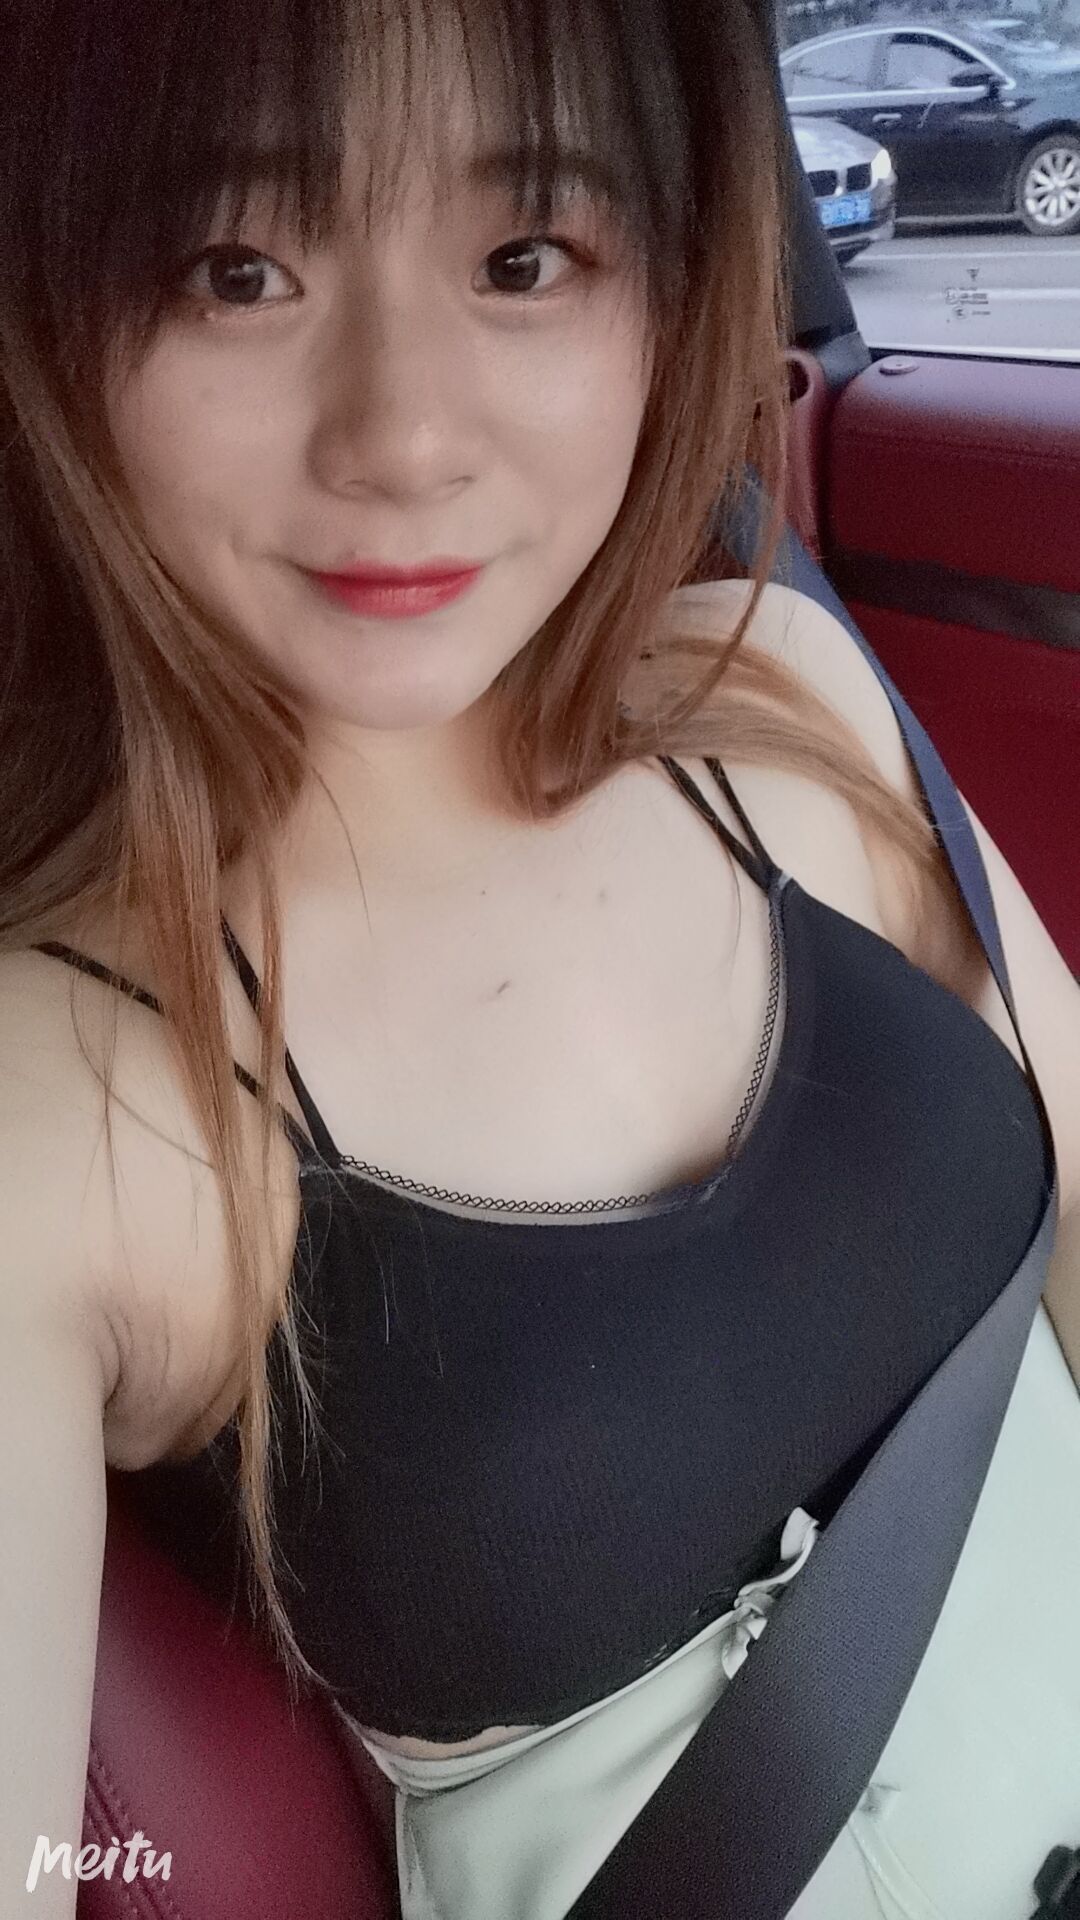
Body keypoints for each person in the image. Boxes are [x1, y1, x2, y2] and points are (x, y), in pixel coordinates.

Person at [1, 1, 1078, 1916]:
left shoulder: (784, 690)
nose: (404, 439)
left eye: (524, 258)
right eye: (236, 269)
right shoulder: (65, 1095)